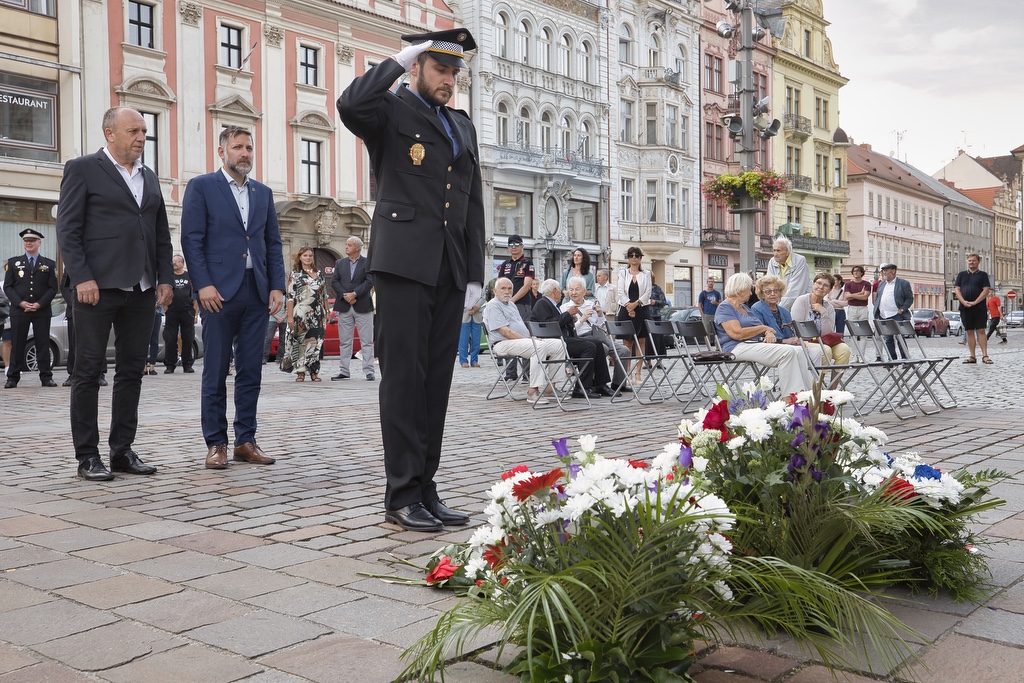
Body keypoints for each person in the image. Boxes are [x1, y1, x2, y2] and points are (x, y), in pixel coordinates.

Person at [337, 29, 485, 532]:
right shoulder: (391, 110)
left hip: (448, 267)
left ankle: (425, 486)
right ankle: (400, 494)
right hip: (401, 264)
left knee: (435, 383)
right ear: (418, 68)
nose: (449, 80)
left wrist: (474, 274)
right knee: (403, 381)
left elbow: (472, 202)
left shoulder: (461, 125)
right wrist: (398, 61)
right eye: (440, 69)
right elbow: (351, 103)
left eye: (455, 72)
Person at [55, 106, 174, 481]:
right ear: (110, 133)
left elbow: (160, 235)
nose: (142, 136)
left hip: (141, 289)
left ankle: (121, 449)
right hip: (96, 288)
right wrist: (82, 277)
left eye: (143, 130)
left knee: (131, 372)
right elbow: (68, 230)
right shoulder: (83, 168)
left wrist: (165, 278)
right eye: (134, 130)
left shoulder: (149, 177)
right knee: (87, 372)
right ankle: (87, 456)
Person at [180, 124, 286, 470]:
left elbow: (272, 242)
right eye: (238, 147)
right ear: (222, 151)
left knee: (251, 370)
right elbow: (192, 240)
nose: (245, 153)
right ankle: (216, 443)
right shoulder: (201, 187)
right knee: (215, 370)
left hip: (256, 290)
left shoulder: (263, 193)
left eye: (249, 148)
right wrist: (203, 285)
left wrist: (276, 286)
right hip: (218, 293)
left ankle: (245, 440)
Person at [714, 272, 816, 396]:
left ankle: (811, 393)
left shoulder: (745, 308)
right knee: (788, 352)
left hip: (752, 344)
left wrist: (767, 331)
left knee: (798, 351)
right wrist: (764, 328)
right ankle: (791, 397)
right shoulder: (725, 307)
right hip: (736, 347)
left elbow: (762, 328)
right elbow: (737, 333)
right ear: (740, 289)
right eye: (749, 289)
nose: (751, 293)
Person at [483, 278, 566, 403]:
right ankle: (533, 391)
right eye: (503, 288)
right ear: (495, 291)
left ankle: (550, 388)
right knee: (538, 346)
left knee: (559, 344)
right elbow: (505, 332)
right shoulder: (493, 305)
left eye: (510, 288)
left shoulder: (511, 304)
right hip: (502, 343)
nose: (507, 291)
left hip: (521, 341)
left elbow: (521, 327)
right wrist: (529, 339)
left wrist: (532, 337)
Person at [533, 278, 612, 398]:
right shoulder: (542, 303)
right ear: (554, 291)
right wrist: (568, 314)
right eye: (560, 291)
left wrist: (570, 320)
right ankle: (582, 387)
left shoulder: (553, 304)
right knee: (589, 347)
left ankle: (600, 383)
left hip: (564, 338)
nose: (561, 294)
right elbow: (548, 326)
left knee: (597, 343)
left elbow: (558, 322)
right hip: (556, 342)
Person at [3, 228, 59, 388]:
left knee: (42, 343)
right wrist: (20, 303)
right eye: (26, 241)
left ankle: (46, 377)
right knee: (17, 343)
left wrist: (39, 304)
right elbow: (8, 287)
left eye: (32, 240)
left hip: (41, 310)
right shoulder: (13, 263)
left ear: (39, 243)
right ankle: (12, 377)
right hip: (19, 310)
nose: (29, 243)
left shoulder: (49, 264)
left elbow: (52, 288)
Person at [563, 276, 631, 391]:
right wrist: (582, 319)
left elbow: (603, 327)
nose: (573, 293)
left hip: (598, 335)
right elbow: (569, 331)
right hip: (582, 339)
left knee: (624, 351)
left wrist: (600, 315)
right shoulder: (565, 308)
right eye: (571, 289)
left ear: (584, 291)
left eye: (577, 289)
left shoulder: (591, 304)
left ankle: (618, 384)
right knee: (602, 348)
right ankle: (597, 384)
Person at [791, 272, 852, 388]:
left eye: (825, 285)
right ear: (813, 284)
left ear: (829, 290)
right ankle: (818, 389)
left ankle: (832, 391)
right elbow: (797, 327)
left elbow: (828, 332)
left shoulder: (828, 307)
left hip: (823, 340)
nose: (821, 287)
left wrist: (822, 312)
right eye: (818, 283)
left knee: (844, 350)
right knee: (826, 350)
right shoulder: (802, 301)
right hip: (804, 341)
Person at [330, 235, 375, 381]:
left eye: (349, 245)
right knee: (344, 341)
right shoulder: (339, 263)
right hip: (344, 306)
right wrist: (345, 295)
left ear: (357, 247)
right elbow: (335, 281)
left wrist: (355, 294)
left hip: (363, 305)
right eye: (346, 244)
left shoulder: (367, 263)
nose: (346, 247)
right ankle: (344, 371)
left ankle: (369, 371)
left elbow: (369, 281)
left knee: (367, 340)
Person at [496, 234, 536, 382]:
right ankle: (510, 373)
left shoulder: (527, 263)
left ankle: (526, 374)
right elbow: (499, 284)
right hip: (506, 305)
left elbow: (527, 286)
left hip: (521, 305)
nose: (513, 247)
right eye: (511, 245)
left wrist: (511, 300)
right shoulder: (505, 264)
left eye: (516, 244)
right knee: (508, 336)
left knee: (524, 335)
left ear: (522, 246)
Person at [286, 247, 328, 382]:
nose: (308, 258)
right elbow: (290, 297)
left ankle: (314, 371)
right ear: (300, 257)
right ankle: (300, 372)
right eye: (305, 255)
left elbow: (324, 295)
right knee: (301, 341)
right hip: (301, 313)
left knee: (317, 343)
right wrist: (290, 316)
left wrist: (327, 312)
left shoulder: (320, 273)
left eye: (310, 255)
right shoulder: (295, 275)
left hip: (317, 314)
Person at [615, 246, 651, 381]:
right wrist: (628, 306)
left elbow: (648, 292)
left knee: (641, 341)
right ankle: (628, 372)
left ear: (640, 258)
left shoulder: (646, 273)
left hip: (642, 308)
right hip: (626, 308)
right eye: (631, 255)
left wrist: (636, 304)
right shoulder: (623, 273)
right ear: (628, 258)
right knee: (627, 342)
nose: (634, 258)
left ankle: (638, 373)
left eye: (637, 256)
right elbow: (620, 292)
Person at [954, 253, 993, 364]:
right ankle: (972, 356)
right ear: (967, 261)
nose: (971, 262)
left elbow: (986, 290)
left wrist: (976, 302)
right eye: (970, 260)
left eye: (973, 261)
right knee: (969, 331)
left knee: (981, 330)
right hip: (965, 307)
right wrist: (963, 301)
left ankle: (985, 355)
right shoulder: (961, 275)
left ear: (978, 262)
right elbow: (957, 289)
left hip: (979, 307)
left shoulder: (983, 275)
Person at [872, 263, 914, 360]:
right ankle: (892, 359)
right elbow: (878, 298)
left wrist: (903, 309)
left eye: (886, 270)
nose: (884, 273)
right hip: (884, 315)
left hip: (896, 314)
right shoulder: (882, 284)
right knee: (888, 339)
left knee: (900, 338)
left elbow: (909, 298)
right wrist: (877, 310)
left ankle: (905, 358)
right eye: (883, 271)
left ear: (893, 271)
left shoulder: (903, 283)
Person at [163, 254, 197, 373]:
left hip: (187, 311)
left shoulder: (189, 276)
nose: (175, 263)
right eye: (173, 261)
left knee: (188, 338)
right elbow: (163, 292)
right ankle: (170, 365)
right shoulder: (169, 277)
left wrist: (195, 312)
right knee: (170, 338)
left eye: (177, 261)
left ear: (182, 263)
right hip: (172, 311)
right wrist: (165, 307)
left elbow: (195, 294)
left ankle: (187, 364)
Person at [766, 235, 811, 309]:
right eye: (774, 250)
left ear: (787, 252)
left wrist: (778, 309)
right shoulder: (772, 261)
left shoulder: (800, 261)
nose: (775, 254)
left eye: (778, 250)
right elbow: (770, 285)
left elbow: (795, 291)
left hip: (798, 306)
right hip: (779, 305)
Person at [459, 286, 485, 368]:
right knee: (463, 340)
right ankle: (463, 361)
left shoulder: (480, 286)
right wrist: (469, 307)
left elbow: (483, 297)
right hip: (465, 315)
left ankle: (474, 360)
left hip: (477, 316)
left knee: (476, 341)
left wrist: (476, 306)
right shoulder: (463, 286)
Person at [145, 304, 162, 376]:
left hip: (156, 312)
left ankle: (152, 366)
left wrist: (158, 303)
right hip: (144, 313)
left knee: (154, 340)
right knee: (144, 340)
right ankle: (143, 366)